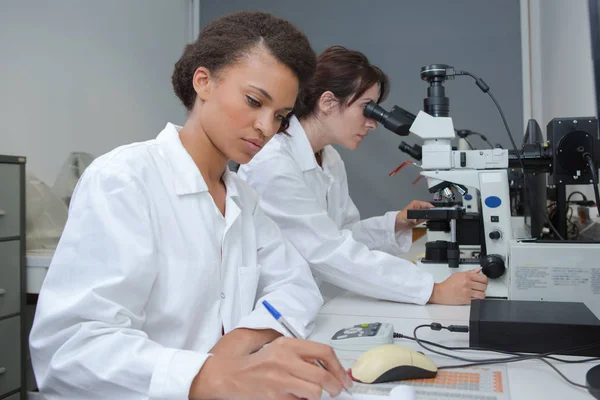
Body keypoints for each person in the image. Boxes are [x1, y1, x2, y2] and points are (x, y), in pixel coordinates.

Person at [29, 12, 352, 400]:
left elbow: (298, 285)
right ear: (204, 82)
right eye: (254, 101)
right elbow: (70, 349)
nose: (267, 127)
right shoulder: (125, 179)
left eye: (280, 117)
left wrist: (239, 340)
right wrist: (208, 375)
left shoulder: (242, 200)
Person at [238, 46, 488, 306]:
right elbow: (326, 251)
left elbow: (342, 234)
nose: (373, 122)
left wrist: (396, 224)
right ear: (327, 102)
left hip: (312, 299)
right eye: (367, 109)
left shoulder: (329, 157)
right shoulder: (272, 163)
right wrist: (432, 290)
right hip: (270, 307)